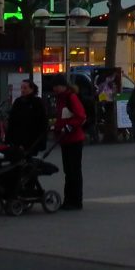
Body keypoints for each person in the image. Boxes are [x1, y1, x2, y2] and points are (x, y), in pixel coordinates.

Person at [52, 77, 87, 210]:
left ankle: (75, 201)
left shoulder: (70, 97)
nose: (54, 89)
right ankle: (69, 200)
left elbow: (80, 116)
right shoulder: (62, 98)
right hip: (65, 139)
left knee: (73, 171)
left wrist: (68, 126)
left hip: (73, 139)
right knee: (69, 171)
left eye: (56, 86)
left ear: (63, 86)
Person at [6, 79, 48, 157]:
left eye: (25, 88)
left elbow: (42, 123)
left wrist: (40, 141)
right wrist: (9, 139)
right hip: (17, 140)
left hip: (31, 140)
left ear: (31, 89)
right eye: (21, 88)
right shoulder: (18, 101)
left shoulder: (37, 102)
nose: (22, 90)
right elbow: (12, 121)